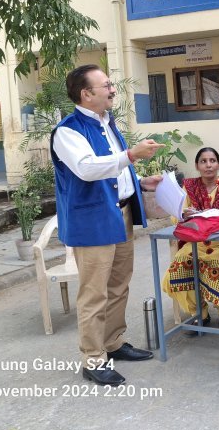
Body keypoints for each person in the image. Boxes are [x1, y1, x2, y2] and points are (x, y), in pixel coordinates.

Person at [51, 64, 164, 387]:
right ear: (86, 94)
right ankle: (93, 358)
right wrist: (131, 155)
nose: (113, 90)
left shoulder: (107, 123)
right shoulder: (68, 131)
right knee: (93, 293)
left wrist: (141, 182)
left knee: (118, 285)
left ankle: (113, 342)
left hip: (121, 214)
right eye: (107, 86)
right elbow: (87, 169)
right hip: (93, 221)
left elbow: (113, 171)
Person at [162, 147, 219, 332]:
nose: (208, 165)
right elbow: (175, 216)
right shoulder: (189, 187)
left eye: (212, 161)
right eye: (203, 161)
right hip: (196, 241)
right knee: (182, 262)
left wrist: (206, 217)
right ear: (197, 165)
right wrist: (184, 213)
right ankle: (200, 313)